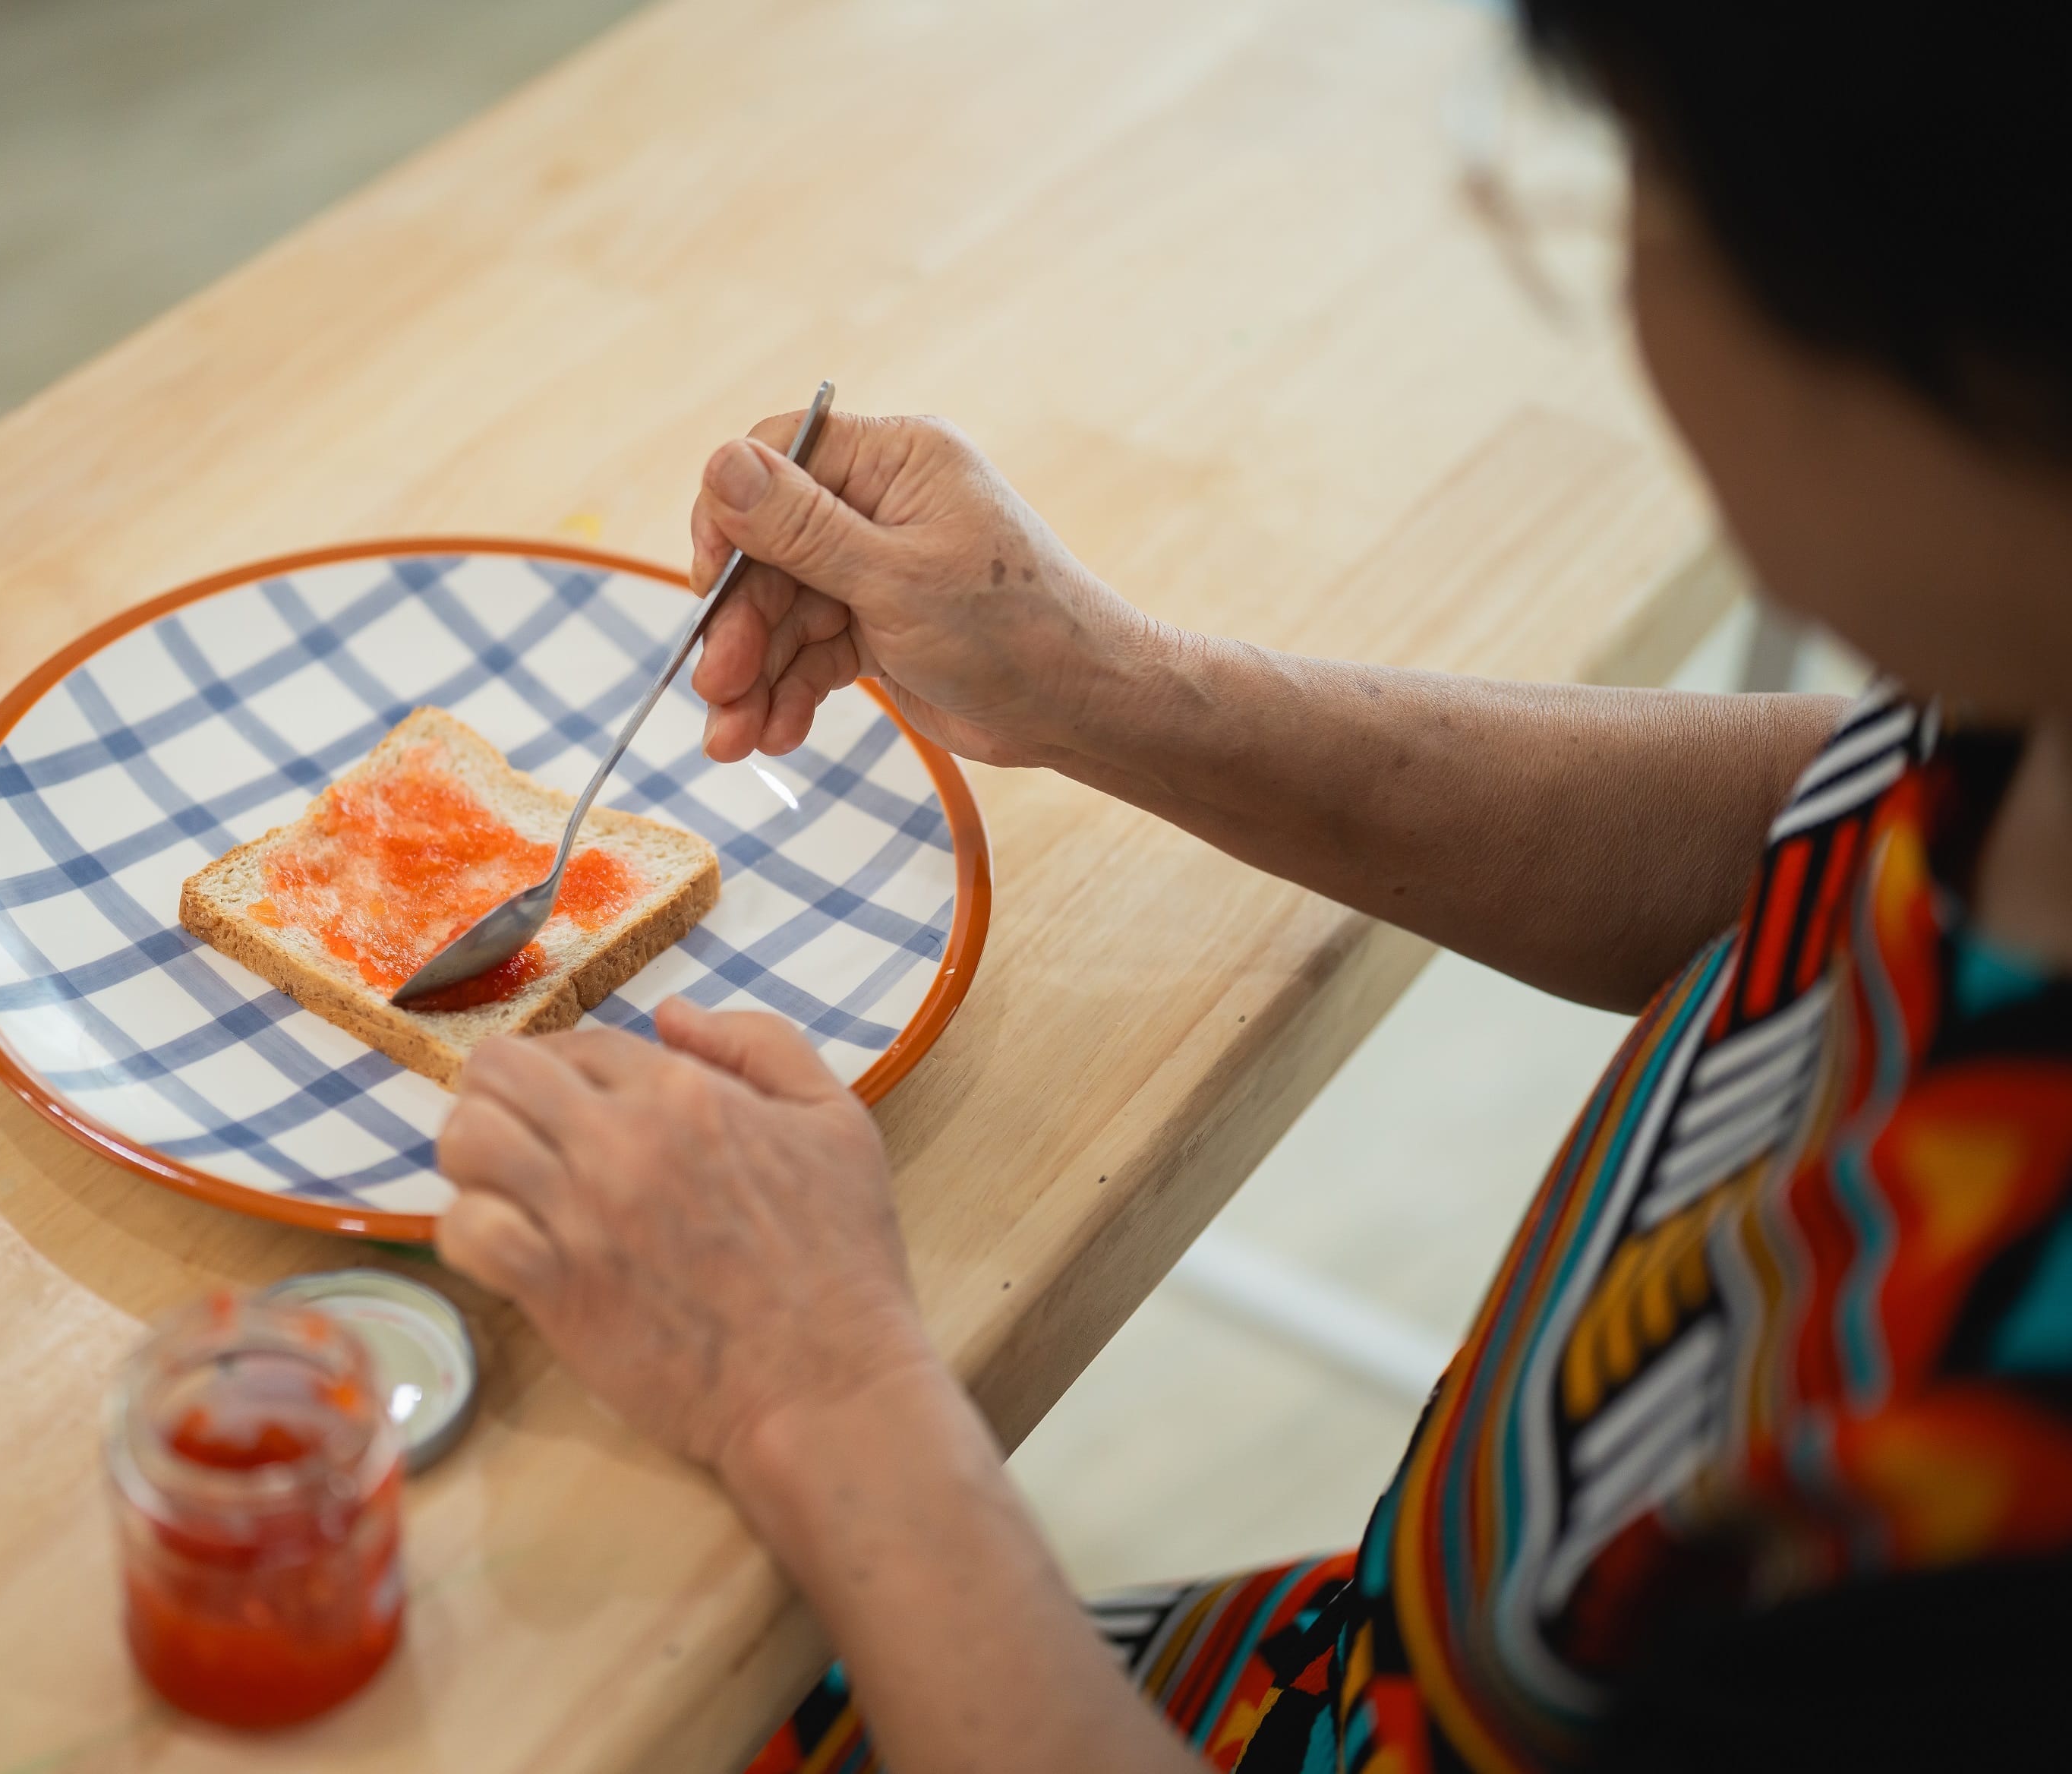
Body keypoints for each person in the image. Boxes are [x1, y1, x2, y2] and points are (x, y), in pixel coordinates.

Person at [430, 1, 2072, 1767]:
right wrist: (1096, 680)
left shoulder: (1994, 1551)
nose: (1633, 288)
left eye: (1657, 190)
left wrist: (825, 1390)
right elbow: (1809, 831)